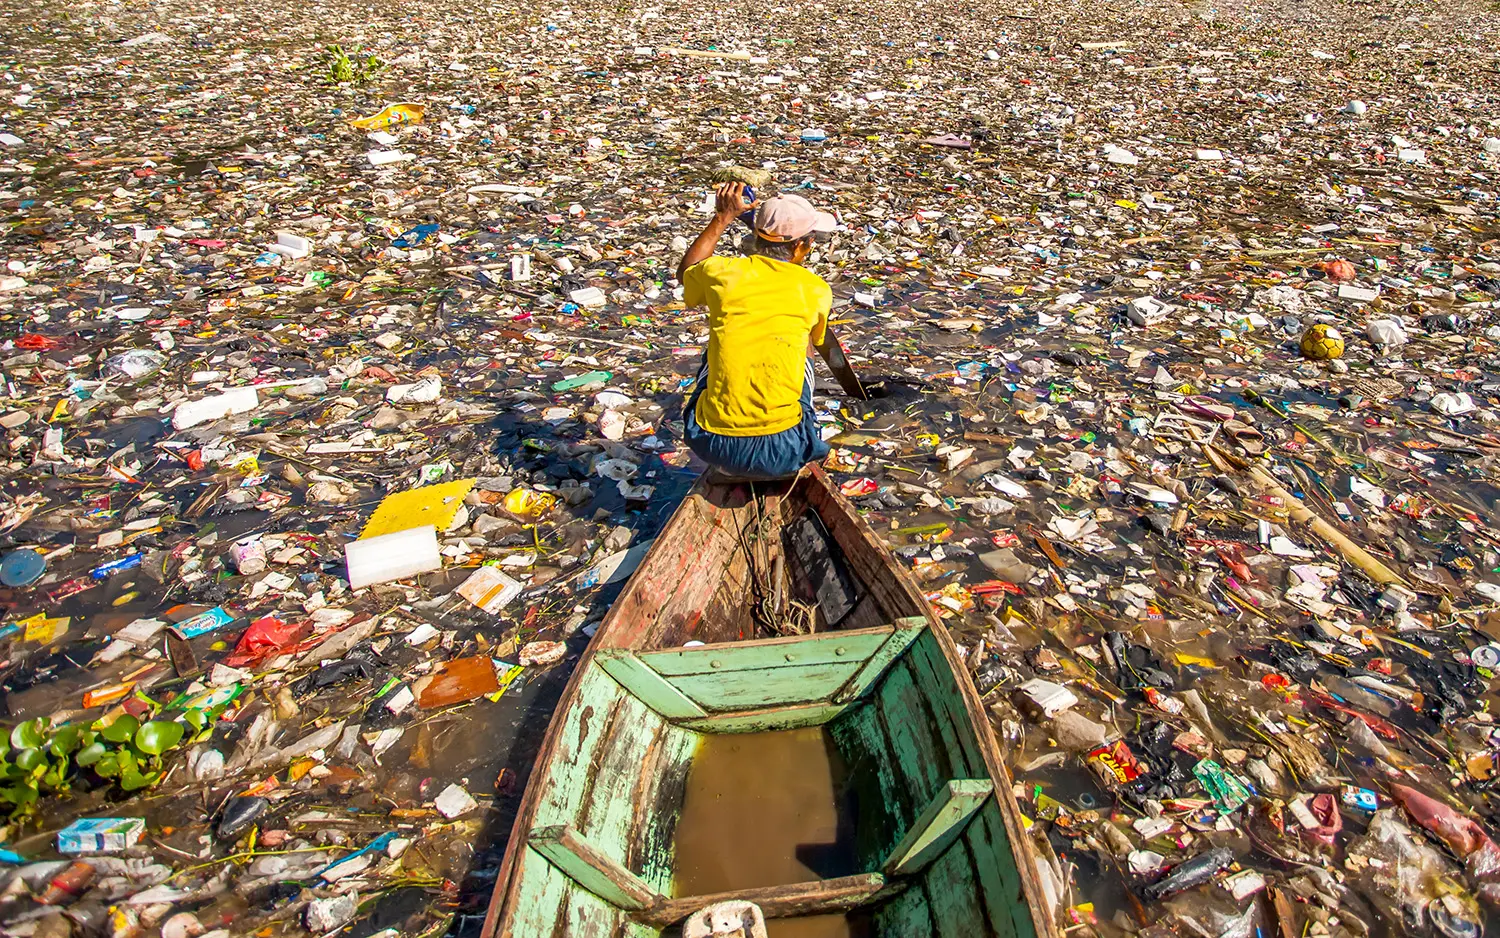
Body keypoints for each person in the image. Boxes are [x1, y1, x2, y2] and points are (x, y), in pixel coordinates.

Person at [676, 182, 838, 480]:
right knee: (803, 344)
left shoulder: (721, 272)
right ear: (804, 245)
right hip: (785, 449)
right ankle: (801, 433)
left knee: (716, 351)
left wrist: (723, 217)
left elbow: (686, 272)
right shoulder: (816, 289)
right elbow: (813, 341)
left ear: (756, 236)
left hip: (709, 443)